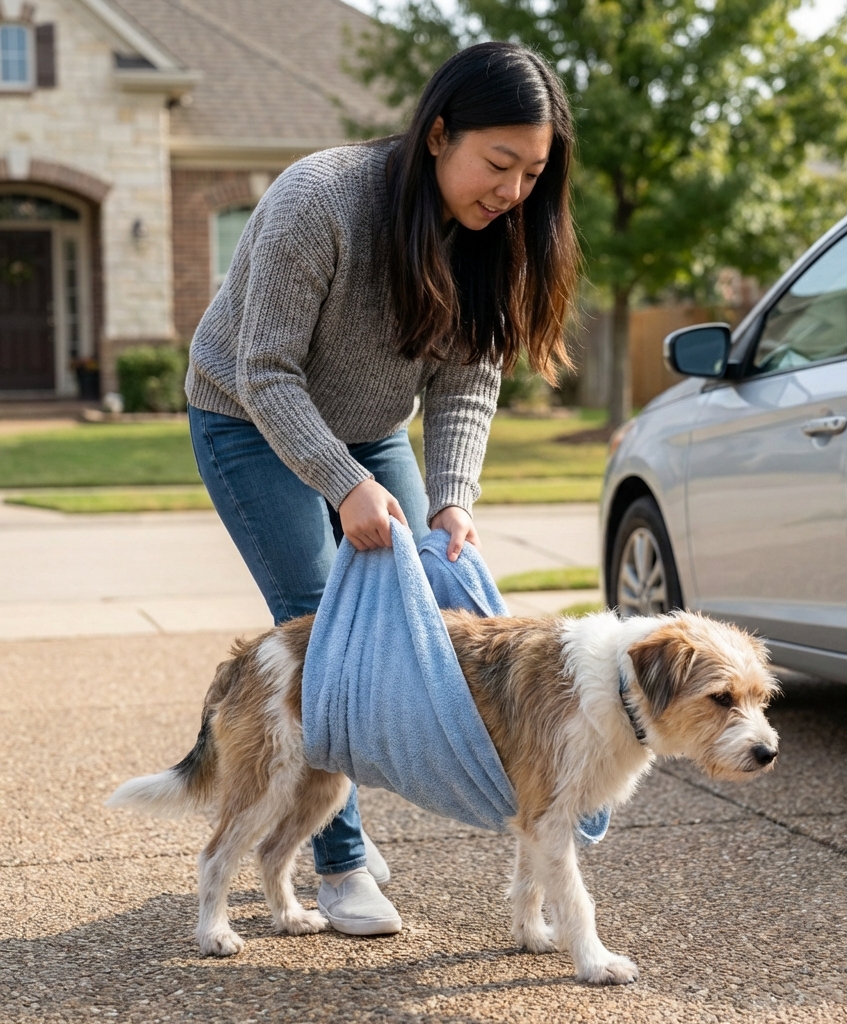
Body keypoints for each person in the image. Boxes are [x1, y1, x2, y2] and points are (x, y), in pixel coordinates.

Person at [184, 41, 580, 937]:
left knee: (422, 615)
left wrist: (451, 500)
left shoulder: (498, 236)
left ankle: (324, 818)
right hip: (248, 415)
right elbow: (265, 371)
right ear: (439, 134)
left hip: (370, 425)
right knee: (325, 624)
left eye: (534, 172)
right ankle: (343, 863)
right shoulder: (318, 200)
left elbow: (467, 383)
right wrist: (344, 484)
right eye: (499, 163)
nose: (515, 191)